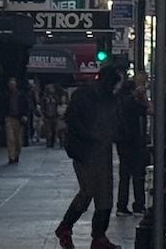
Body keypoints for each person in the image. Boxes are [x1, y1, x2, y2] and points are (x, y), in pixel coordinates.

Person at [57, 62, 125, 249]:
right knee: (90, 190)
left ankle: (98, 236)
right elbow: (74, 120)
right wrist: (90, 137)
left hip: (99, 149)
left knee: (103, 194)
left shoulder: (106, 98)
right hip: (86, 150)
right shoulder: (89, 96)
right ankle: (69, 227)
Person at [113, 77, 149, 216]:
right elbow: (149, 109)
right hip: (134, 142)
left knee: (124, 175)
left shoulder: (119, 100)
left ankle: (121, 206)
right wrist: (143, 96)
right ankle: (139, 205)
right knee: (138, 175)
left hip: (122, 142)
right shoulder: (133, 103)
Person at [0, 77, 33, 164]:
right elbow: (2, 108)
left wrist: (25, 115)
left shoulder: (21, 95)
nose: (11, 86)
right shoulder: (6, 95)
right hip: (9, 118)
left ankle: (16, 154)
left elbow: (26, 106)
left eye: (13, 84)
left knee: (18, 140)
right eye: (10, 84)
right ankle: (11, 156)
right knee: (10, 138)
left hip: (19, 119)